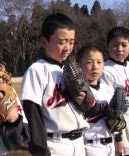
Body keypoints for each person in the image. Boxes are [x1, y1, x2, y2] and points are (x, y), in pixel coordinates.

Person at [20, 13, 91, 156]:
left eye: (71, 42)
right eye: (61, 42)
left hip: (79, 143)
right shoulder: (37, 70)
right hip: (55, 146)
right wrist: (41, 151)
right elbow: (32, 114)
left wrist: (87, 100)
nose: (67, 48)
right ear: (44, 42)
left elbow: (89, 108)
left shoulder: (72, 69)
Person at [76, 45, 117, 156]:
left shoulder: (108, 88)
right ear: (78, 64)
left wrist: (117, 121)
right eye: (89, 62)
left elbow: (114, 121)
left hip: (110, 145)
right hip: (89, 146)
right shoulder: (77, 91)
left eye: (99, 62)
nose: (95, 67)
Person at [102, 26, 129, 155]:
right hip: (120, 125)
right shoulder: (105, 70)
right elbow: (109, 109)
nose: (119, 49)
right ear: (107, 46)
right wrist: (118, 137)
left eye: (124, 45)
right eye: (115, 45)